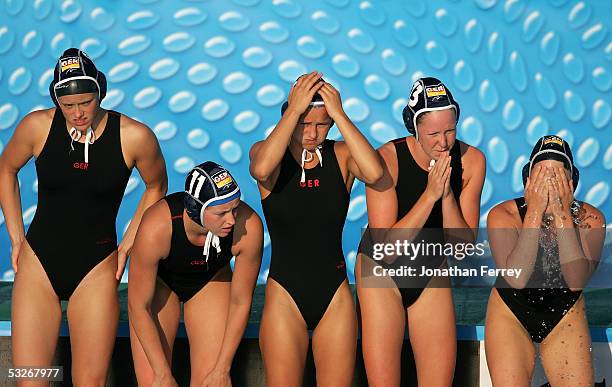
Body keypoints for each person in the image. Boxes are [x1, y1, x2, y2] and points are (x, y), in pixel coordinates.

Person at [0, 48, 167, 385]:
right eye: (68, 105)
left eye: (86, 102)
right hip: (38, 263)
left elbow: (156, 187)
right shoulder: (36, 127)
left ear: (100, 93)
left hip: (96, 266)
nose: (77, 113)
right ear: (56, 99)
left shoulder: (134, 136)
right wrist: (16, 239)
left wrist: (127, 247)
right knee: (29, 379)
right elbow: (6, 169)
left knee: (88, 382)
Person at [249, 71, 382, 386]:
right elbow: (261, 169)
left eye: (321, 125)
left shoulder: (342, 155)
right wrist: (295, 109)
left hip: (334, 294)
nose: (311, 133)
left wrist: (339, 112)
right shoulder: (267, 153)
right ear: (289, 116)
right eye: (303, 124)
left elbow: (375, 173)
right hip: (285, 295)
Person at [357, 77, 485, 386]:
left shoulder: (472, 161)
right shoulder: (387, 160)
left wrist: (447, 195)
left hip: (430, 265)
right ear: (413, 129)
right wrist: (429, 196)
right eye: (433, 134)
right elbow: (386, 247)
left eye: (450, 131)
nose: (443, 142)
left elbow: (461, 247)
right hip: (381, 270)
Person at [128, 161, 263, 387]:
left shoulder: (248, 228)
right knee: (154, 381)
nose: (231, 220)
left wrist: (223, 369)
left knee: (212, 381)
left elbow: (241, 302)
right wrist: (162, 374)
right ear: (195, 209)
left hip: (210, 280)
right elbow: (138, 305)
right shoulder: (157, 227)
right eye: (221, 212)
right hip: (163, 283)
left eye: (235, 208)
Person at [485, 135, 605, 386]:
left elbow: (574, 281)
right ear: (527, 180)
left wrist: (562, 215)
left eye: (558, 178)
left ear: (571, 183)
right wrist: (535, 211)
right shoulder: (504, 215)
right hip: (511, 311)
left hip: (565, 311)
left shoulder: (590, 219)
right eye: (541, 177)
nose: (549, 186)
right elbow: (516, 278)